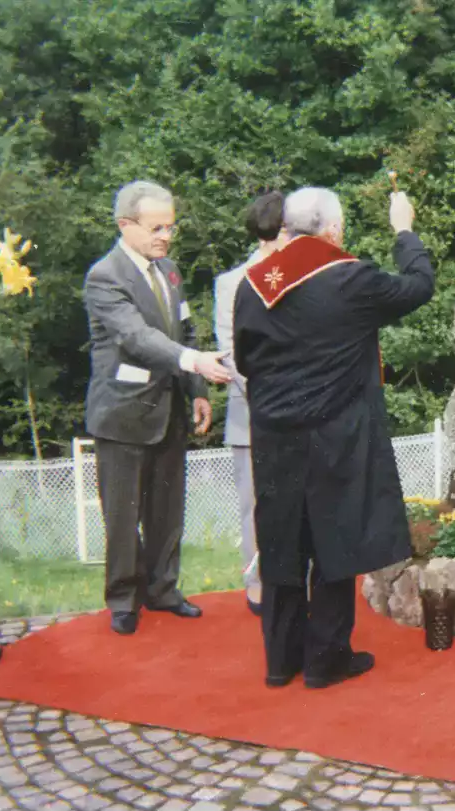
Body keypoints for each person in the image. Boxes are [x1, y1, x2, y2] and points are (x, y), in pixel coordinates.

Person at [234, 186, 434, 689]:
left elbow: (244, 360)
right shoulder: (349, 278)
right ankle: (326, 660)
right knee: (333, 540)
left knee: (280, 544)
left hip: (274, 436)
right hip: (334, 433)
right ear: (334, 229)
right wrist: (404, 229)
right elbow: (418, 286)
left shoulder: (252, 284)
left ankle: (280, 661)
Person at [83, 180, 231, 636]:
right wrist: (195, 362)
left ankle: (164, 589)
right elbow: (137, 338)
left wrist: (196, 390)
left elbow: (183, 331)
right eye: (156, 227)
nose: (165, 236)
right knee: (124, 515)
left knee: (166, 509)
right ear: (125, 225)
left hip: (170, 410)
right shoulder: (104, 277)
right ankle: (124, 600)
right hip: (123, 414)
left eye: (171, 227)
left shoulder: (168, 271)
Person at [214, 191, 287, 616]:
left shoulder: (301, 277)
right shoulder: (231, 283)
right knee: (255, 504)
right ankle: (257, 583)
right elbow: (230, 352)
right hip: (252, 414)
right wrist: (271, 400)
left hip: (299, 413)